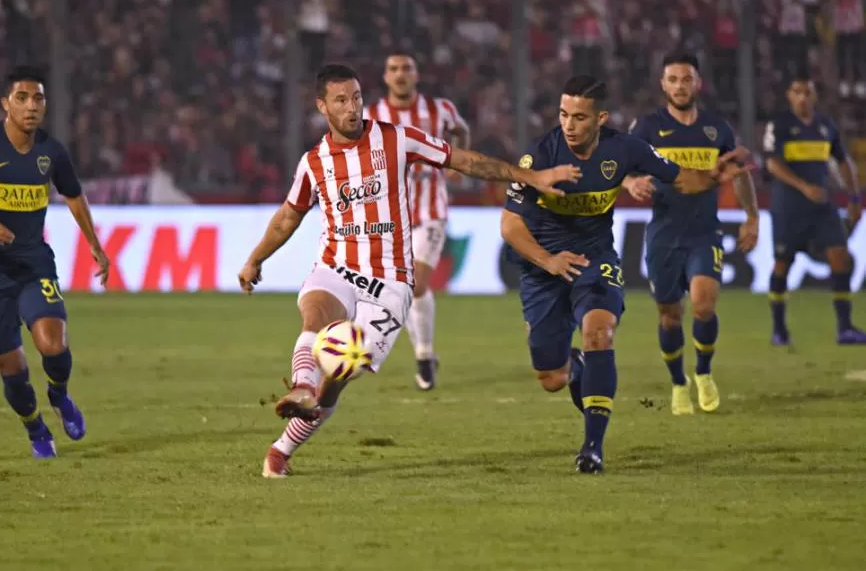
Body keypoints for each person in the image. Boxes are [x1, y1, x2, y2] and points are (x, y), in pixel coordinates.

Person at [239, 63, 580, 478]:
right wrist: (257, 258)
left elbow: (463, 160)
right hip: (337, 265)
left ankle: (283, 446)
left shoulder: (395, 139)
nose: (352, 108)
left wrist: (529, 176)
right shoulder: (314, 163)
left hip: (390, 282)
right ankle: (303, 385)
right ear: (322, 106)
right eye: (341, 100)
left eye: (357, 97)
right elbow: (287, 218)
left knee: (340, 373)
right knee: (315, 313)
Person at [501, 75, 750, 473]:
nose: (569, 124)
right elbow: (510, 226)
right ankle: (577, 366)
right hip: (543, 268)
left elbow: (681, 177)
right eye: (564, 114)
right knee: (552, 377)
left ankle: (593, 448)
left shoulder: (626, 148)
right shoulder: (539, 157)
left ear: (601, 118)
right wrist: (549, 261)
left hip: (595, 258)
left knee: (600, 331)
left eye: (579, 117)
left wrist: (713, 178)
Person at [0, 66, 110, 458]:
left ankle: (60, 395)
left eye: (38, 98)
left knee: (53, 344)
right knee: (12, 368)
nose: (31, 106)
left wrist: (95, 245)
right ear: (6, 104)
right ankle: (35, 427)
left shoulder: (51, 151)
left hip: (34, 263)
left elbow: (73, 195)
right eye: (22, 98)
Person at [623, 52, 759, 415]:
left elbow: (740, 172)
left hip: (705, 232)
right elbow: (617, 163)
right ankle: (678, 382)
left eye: (687, 79)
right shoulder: (648, 128)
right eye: (673, 80)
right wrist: (630, 181)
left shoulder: (717, 129)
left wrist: (751, 216)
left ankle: (703, 372)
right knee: (669, 315)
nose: (680, 86)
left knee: (703, 304)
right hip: (664, 235)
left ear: (698, 83)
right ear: (663, 85)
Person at [364, 51, 470, 390]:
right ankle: (422, 353)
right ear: (385, 77)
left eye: (406, 68)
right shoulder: (372, 114)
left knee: (418, 283)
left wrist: (456, 167)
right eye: (393, 68)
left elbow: (461, 132)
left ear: (417, 74)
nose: (400, 74)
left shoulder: (440, 109)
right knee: (401, 288)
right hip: (390, 215)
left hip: (431, 211)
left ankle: (424, 356)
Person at [762, 74, 866, 345]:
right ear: (789, 95)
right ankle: (778, 329)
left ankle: (845, 328)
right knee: (782, 264)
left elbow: (843, 162)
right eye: (797, 92)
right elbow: (772, 165)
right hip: (789, 208)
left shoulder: (825, 126)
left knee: (840, 257)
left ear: (815, 96)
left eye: (808, 92)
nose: (803, 98)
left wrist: (855, 198)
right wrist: (803, 186)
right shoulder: (780, 125)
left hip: (821, 206)